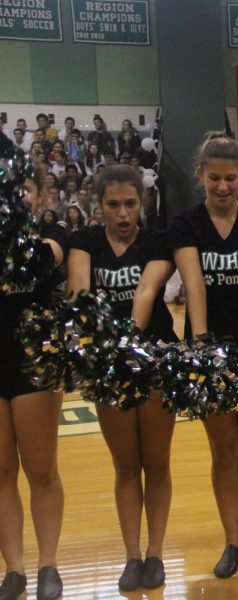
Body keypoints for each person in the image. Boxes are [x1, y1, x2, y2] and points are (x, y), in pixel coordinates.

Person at [167, 132, 238, 577]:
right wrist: (201, 351)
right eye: (214, 177)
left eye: (230, 177)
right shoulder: (186, 224)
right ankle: (231, 543)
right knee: (222, 450)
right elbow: (193, 287)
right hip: (213, 352)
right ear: (200, 176)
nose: (222, 186)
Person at [65, 165, 177, 591]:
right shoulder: (85, 241)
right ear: (99, 206)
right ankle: (132, 556)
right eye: (113, 205)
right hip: (108, 367)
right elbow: (78, 291)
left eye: (130, 204)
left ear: (142, 203)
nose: (123, 213)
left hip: (153, 359)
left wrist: (127, 343)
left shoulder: (156, 240)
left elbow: (147, 293)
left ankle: (157, 553)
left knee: (156, 461)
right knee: (126, 465)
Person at [0, 168, 67, 600]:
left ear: (40, 195)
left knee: (40, 470)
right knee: (1, 471)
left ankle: (48, 564)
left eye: (24, 190)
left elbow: (40, 261)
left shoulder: (55, 234)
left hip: (34, 364)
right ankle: (14, 569)